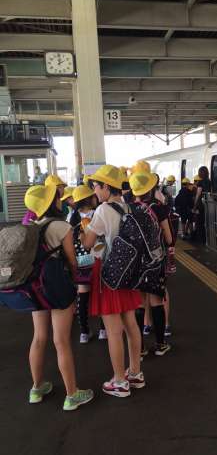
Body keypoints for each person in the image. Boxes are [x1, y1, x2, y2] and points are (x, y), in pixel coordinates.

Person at [24, 185, 94, 411]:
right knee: (61, 341)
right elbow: (72, 261)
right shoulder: (61, 226)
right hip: (57, 287)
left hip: (36, 287)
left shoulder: (31, 226)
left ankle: (36, 388)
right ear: (51, 202)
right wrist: (74, 281)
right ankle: (72, 395)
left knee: (39, 337)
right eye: (57, 198)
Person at [81, 165, 144, 397]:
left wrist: (84, 229)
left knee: (114, 331)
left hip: (110, 274)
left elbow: (88, 244)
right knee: (131, 324)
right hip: (129, 272)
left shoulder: (103, 210)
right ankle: (135, 373)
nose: (95, 191)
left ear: (106, 186)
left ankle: (119, 381)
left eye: (96, 186)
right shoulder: (129, 206)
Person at [129, 170, 174, 355]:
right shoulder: (158, 208)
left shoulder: (129, 208)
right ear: (150, 189)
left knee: (139, 303)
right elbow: (169, 238)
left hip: (136, 261)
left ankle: (139, 348)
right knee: (156, 301)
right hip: (155, 261)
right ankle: (160, 344)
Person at [69, 184, 101, 344]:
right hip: (98, 259)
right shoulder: (98, 214)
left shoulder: (72, 217)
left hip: (81, 262)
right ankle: (104, 329)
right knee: (101, 294)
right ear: (89, 199)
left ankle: (84, 332)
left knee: (82, 296)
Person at [193, 166, 211, 244]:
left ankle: (201, 240)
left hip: (201, 205)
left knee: (199, 222)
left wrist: (195, 206)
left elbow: (198, 194)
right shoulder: (209, 181)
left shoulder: (200, 182)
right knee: (205, 222)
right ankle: (206, 239)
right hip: (208, 205)